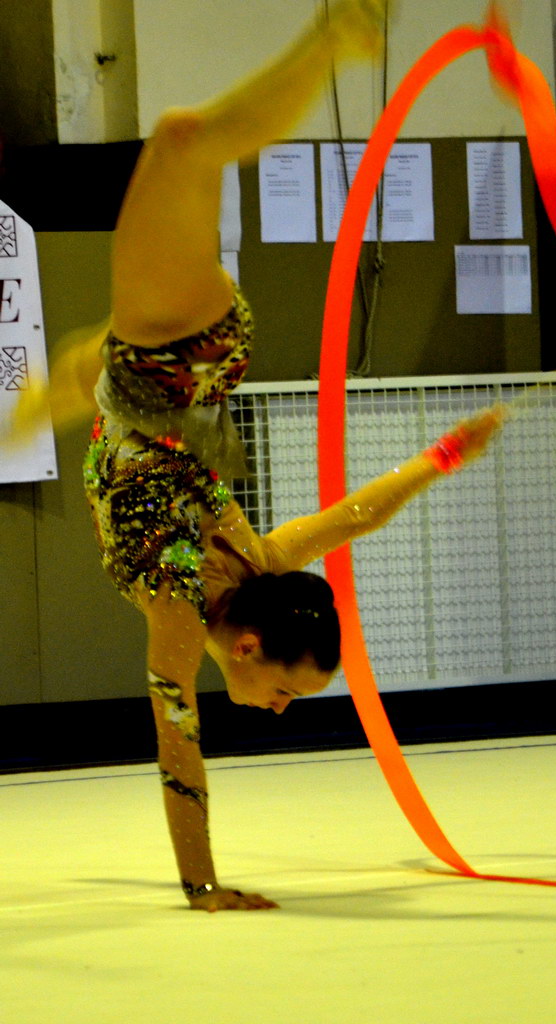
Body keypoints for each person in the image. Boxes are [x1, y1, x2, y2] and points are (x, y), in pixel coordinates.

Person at [15, 0, 504, 911]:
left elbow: (354, 516)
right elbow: (178, 745)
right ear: (247, 647)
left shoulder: (244, 570)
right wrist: (201, 884)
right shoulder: (193, 596)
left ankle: (48, 396)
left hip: (166, 376)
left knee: (90, 371)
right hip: (172, 359)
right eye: (286, 692)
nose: (281, 707)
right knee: (182, 140)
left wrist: (445, 453)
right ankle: (329, 42)